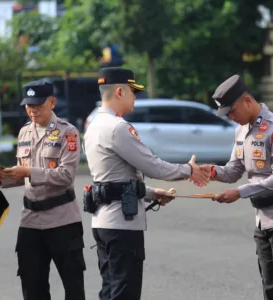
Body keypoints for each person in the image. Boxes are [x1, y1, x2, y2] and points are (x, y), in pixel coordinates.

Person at [83, 67, 210, 300]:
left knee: (110, 291)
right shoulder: (117, 127)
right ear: (119, 92)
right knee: (124, 293)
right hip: (121, 225)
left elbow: (112, 178)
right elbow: (152, 166)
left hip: (103, 221)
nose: (135, 97)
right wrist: (188, 170)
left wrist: (149, 193)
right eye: (133, 91)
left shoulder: (93, 126)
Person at [199, 74, 273, 300]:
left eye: (232, 111)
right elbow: (233, 170)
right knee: (270, 288)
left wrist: (240, 192)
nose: (231, 117)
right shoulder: (241, 131)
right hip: (263, 221)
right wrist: (211, 171)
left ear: (248, 100)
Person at [0, 79, 86, 300]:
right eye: (28, 105)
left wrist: (29, 172)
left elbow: (66, 176)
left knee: (73, 286)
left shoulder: (68, 133)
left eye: (38, 104)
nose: (32, 109)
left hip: (63, 221)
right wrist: (0, 178)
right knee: (32, 287)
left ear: (52, 102)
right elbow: (21, 176)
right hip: (30, 221)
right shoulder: (24, 133)